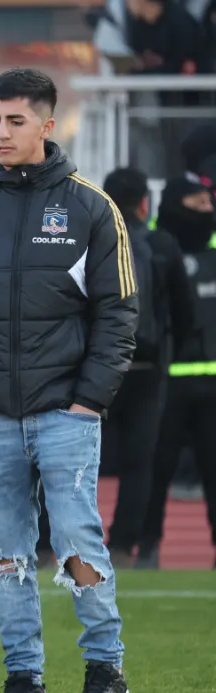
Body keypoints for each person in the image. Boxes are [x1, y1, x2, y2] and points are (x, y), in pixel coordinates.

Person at [0, 68, 137, 693]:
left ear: (47, 125)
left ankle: (105, 670)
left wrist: (89, 399)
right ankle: (25, 681)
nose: (1, 133)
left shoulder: (91, 207)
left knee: (77, 542)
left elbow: (119, 312)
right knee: (7, 553)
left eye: (15, 121)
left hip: (65, 412)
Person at [101, 168, 192, 566]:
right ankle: (122, 547)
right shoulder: (161, 244)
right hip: (147, 366)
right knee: (140, 464)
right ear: (144, 203)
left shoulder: (89, 240)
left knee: (73, 462)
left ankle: (60, 545)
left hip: (98, 368)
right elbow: (183, 310)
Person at [141, 176, 216, 568]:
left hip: (213, 383)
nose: (207, 210)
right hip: (166, 382)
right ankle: (146, 548)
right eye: (198, 203)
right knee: (155, 472)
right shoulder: (150, 247)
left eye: (209, 203)